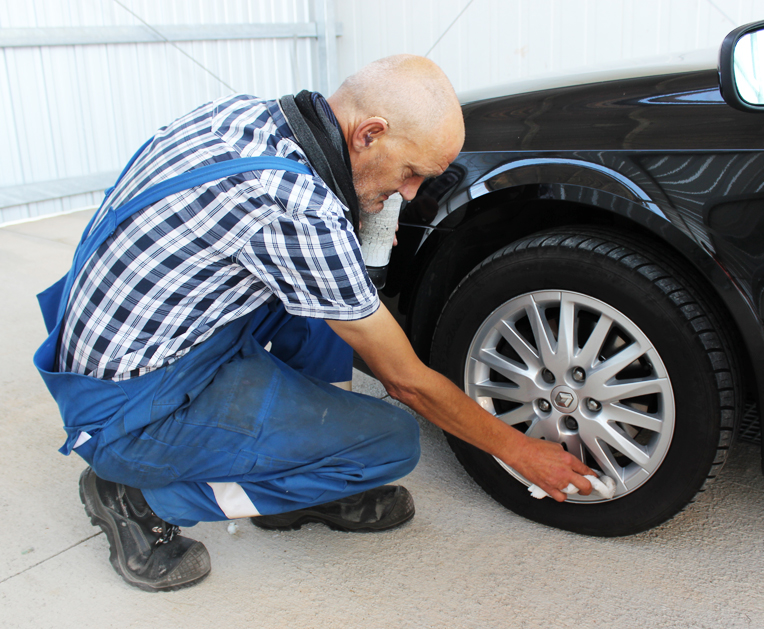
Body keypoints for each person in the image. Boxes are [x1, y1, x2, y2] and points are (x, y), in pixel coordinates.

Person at [35, 55, 593, 592]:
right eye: (410, 173)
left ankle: (305, 472)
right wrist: (518, 451)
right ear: (369, 133)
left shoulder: (243, 115)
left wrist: (355, 226)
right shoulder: (297, 209)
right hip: (132, 413)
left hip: (129, 347)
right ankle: (138, 498)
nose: (409, 194)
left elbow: (321, 268)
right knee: (393, 444)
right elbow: (406, 383)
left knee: (342, 297)